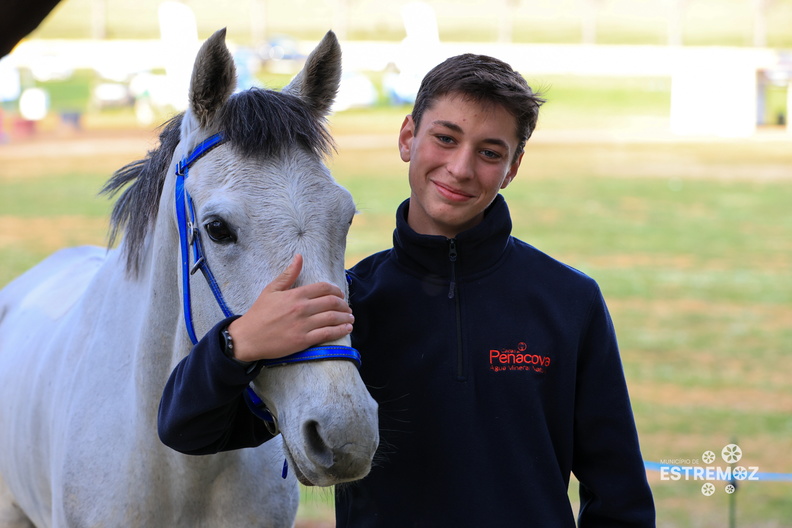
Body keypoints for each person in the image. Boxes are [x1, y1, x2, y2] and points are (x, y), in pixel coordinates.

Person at [159, 53, 656, 526]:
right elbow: (189, 428)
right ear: (407, 138)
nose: (460, 168)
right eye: (445, 138)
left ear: (513, 168)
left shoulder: (569, 302)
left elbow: (619, 496)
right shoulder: (347, 304)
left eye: (489, 152)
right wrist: (238, 342)